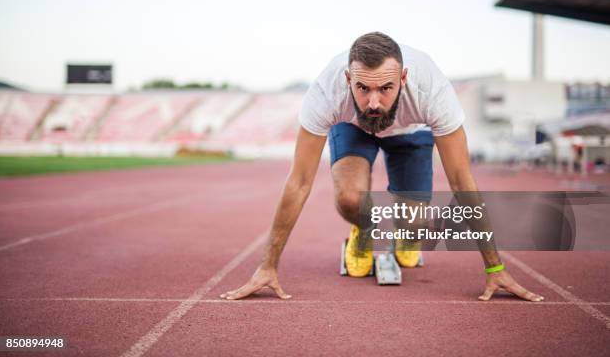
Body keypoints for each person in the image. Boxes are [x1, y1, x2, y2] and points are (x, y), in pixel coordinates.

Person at [220, 32, 544, 302]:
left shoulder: (433, 90)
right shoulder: (326, 92)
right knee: (350, 198)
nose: (374, 102)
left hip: (411, 131)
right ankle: (363, 229)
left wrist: (494, 269)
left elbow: (462, 180)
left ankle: (406, 235)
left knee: (415, 223)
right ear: (348, 80)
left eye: (385, 88)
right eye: (363, 88)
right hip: (353, 126)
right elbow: (299, 182)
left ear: (403, 79)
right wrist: (268, 266)